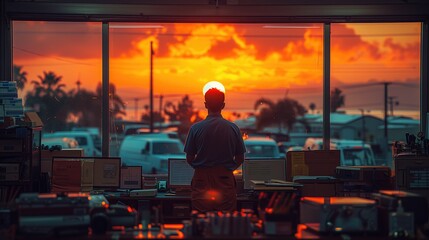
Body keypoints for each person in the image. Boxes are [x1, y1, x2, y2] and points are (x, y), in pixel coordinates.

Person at [184, 86, 246, 212]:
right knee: (225, 221)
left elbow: (189, 158)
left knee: (201, 220)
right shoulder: (233, 129)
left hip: (201, 180)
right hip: (225, 179)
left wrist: (200, 166)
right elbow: (240, 158)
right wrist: (226, 168)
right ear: (223, 105)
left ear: (205, 105)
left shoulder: (195, 129)